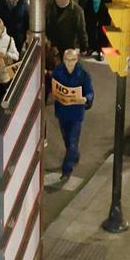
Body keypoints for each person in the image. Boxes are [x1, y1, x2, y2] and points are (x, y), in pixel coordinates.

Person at [50, 48, 94, 182]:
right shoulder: (58, 72)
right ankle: (74, 155)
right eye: (67, 60)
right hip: (62, 112)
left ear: (77, 60)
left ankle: (66, 170)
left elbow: (90, 92)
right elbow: (52, 86)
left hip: (76, 114)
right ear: (63, 60)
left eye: (73, 60)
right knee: (68, 141)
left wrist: (85, 99)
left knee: (73, 142)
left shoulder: (83, 75)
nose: (70, 63)